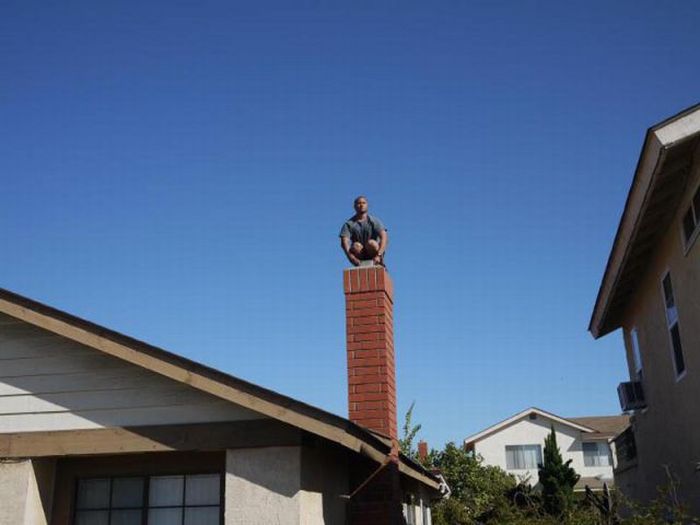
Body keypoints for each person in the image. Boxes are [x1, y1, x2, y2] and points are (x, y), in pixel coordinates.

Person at [339, 196, 388, 266]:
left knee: (371, 243)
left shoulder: (374, 221)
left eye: (364, 203)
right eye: (359, 203)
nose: (361, 205)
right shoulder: (349, 224)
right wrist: (351, 257)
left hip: (374, 252)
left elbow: (384, 237)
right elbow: (344, 242)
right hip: (360, 254)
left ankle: (379, 263)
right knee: (356, 246)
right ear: (354, 206)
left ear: (367, 205)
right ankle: (361, 265)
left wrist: (379, 255)